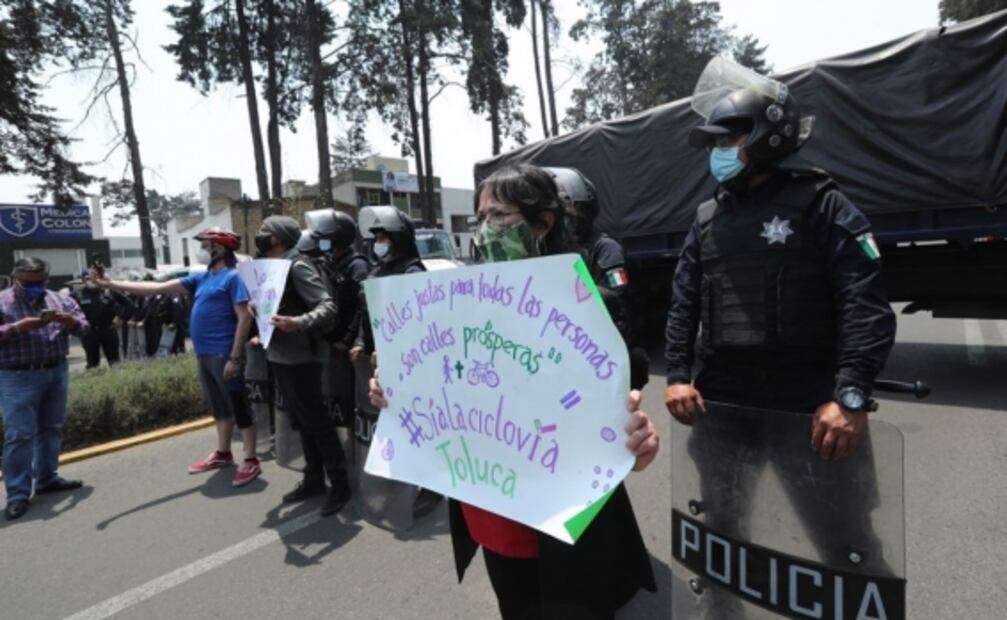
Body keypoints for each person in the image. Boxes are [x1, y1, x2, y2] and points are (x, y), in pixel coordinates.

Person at [369, 165, 660, 619]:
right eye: (480, 216)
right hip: (489, 511)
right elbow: (430, 376)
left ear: (542, 223)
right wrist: (394, 388)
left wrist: (635, 440)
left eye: (500, 215)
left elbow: (618, 398)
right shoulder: (455, 300)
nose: (485, 229)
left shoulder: (586, 306)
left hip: (564, 521)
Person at [664, 60, 898, 610]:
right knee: (722, 537)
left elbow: (864, 303)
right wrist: (676, 375)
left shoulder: (822, 204)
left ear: (770, 136)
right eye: (714, 143)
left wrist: (852, 396)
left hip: (809, 405)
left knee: (846, 545)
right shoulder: (705, 219)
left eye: (731, 138)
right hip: (723, 402)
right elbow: (683, 303)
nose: (718, 152)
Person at [92, 227, 262, 487]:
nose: (202, 250)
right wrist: (110, 283)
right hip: (204, 353)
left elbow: (244, 317)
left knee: (239, 406)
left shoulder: (233, 278)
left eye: (206, 246)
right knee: (219, 407)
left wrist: (235, 357)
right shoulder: (200, 278)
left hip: (224, 353)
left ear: (221, 248)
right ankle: (224, 452)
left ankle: (250, 459)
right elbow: (155, 287)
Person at [254, 215, 351, 516]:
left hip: (302, 358)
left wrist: (297, 323)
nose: (259, 235)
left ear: (280, 238)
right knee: (302, 422)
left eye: (264, 232)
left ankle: (340, 485)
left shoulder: (297, 266)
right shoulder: (270, 269)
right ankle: (313, 480)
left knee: (317, 423)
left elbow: (327, 307)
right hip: (280, 356)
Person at [348, 207, 439, 528]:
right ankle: (395, 484)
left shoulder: (414, 273)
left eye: (384, 238)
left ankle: (432, 486)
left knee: (417, 427)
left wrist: (392, 353)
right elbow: (365, 315)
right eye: (376, 239)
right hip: (377, 366)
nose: (379, 244)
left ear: (399, 238)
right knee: (390, 428)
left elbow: (421, 324)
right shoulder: (376, 271)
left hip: (411, 365)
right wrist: (361, 342)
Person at [545, 166, 650, 391]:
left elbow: (617, 297)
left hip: (601, 354)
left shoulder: (605, 248)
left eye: (569, 212)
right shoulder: (555, 251)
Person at [0, 258, 88, 521]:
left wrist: (69, 321)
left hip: (55, 371)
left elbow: (85, 328)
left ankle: (47, 478)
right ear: (16, 278)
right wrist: (16, 328)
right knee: (20, 434)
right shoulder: (3, 301)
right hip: (17, 375)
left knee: (51, 429)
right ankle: (17, 493)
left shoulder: (60, 300)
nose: (36, 287)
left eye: (41, 282)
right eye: (30, 283)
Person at [72, 272, 128, 369]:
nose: (92, 281)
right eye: (88, 278)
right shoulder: (77, 295)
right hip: (89, 332)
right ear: (83, 280)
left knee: (115, 362)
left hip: (108, 330)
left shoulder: (109, 292)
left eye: (95, 278)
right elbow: (70, 312)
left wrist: (120, 317)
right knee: (92, 362)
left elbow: (128, 304)